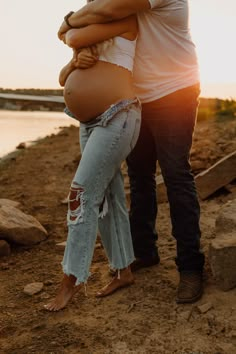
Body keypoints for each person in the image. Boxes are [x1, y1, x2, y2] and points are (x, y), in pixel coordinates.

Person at [57, 0, 205, 304]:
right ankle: (145, 251)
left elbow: (105, 12)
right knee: (139, 177)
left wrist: (70, 20)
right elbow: (91, 21)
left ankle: (190, 267)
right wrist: (75, 32)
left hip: (174, 91)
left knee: (176, 175)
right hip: (137, 98)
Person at [44, 7, 141, 311]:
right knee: (109, 198)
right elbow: (63, 78)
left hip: (118, 116)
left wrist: (69, 25)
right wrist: (75, 62)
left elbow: (72, 35)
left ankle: (70, 281)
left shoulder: (126, 17)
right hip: (88, 124)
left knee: (81, 193)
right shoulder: (96, 36)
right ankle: (123, 270)